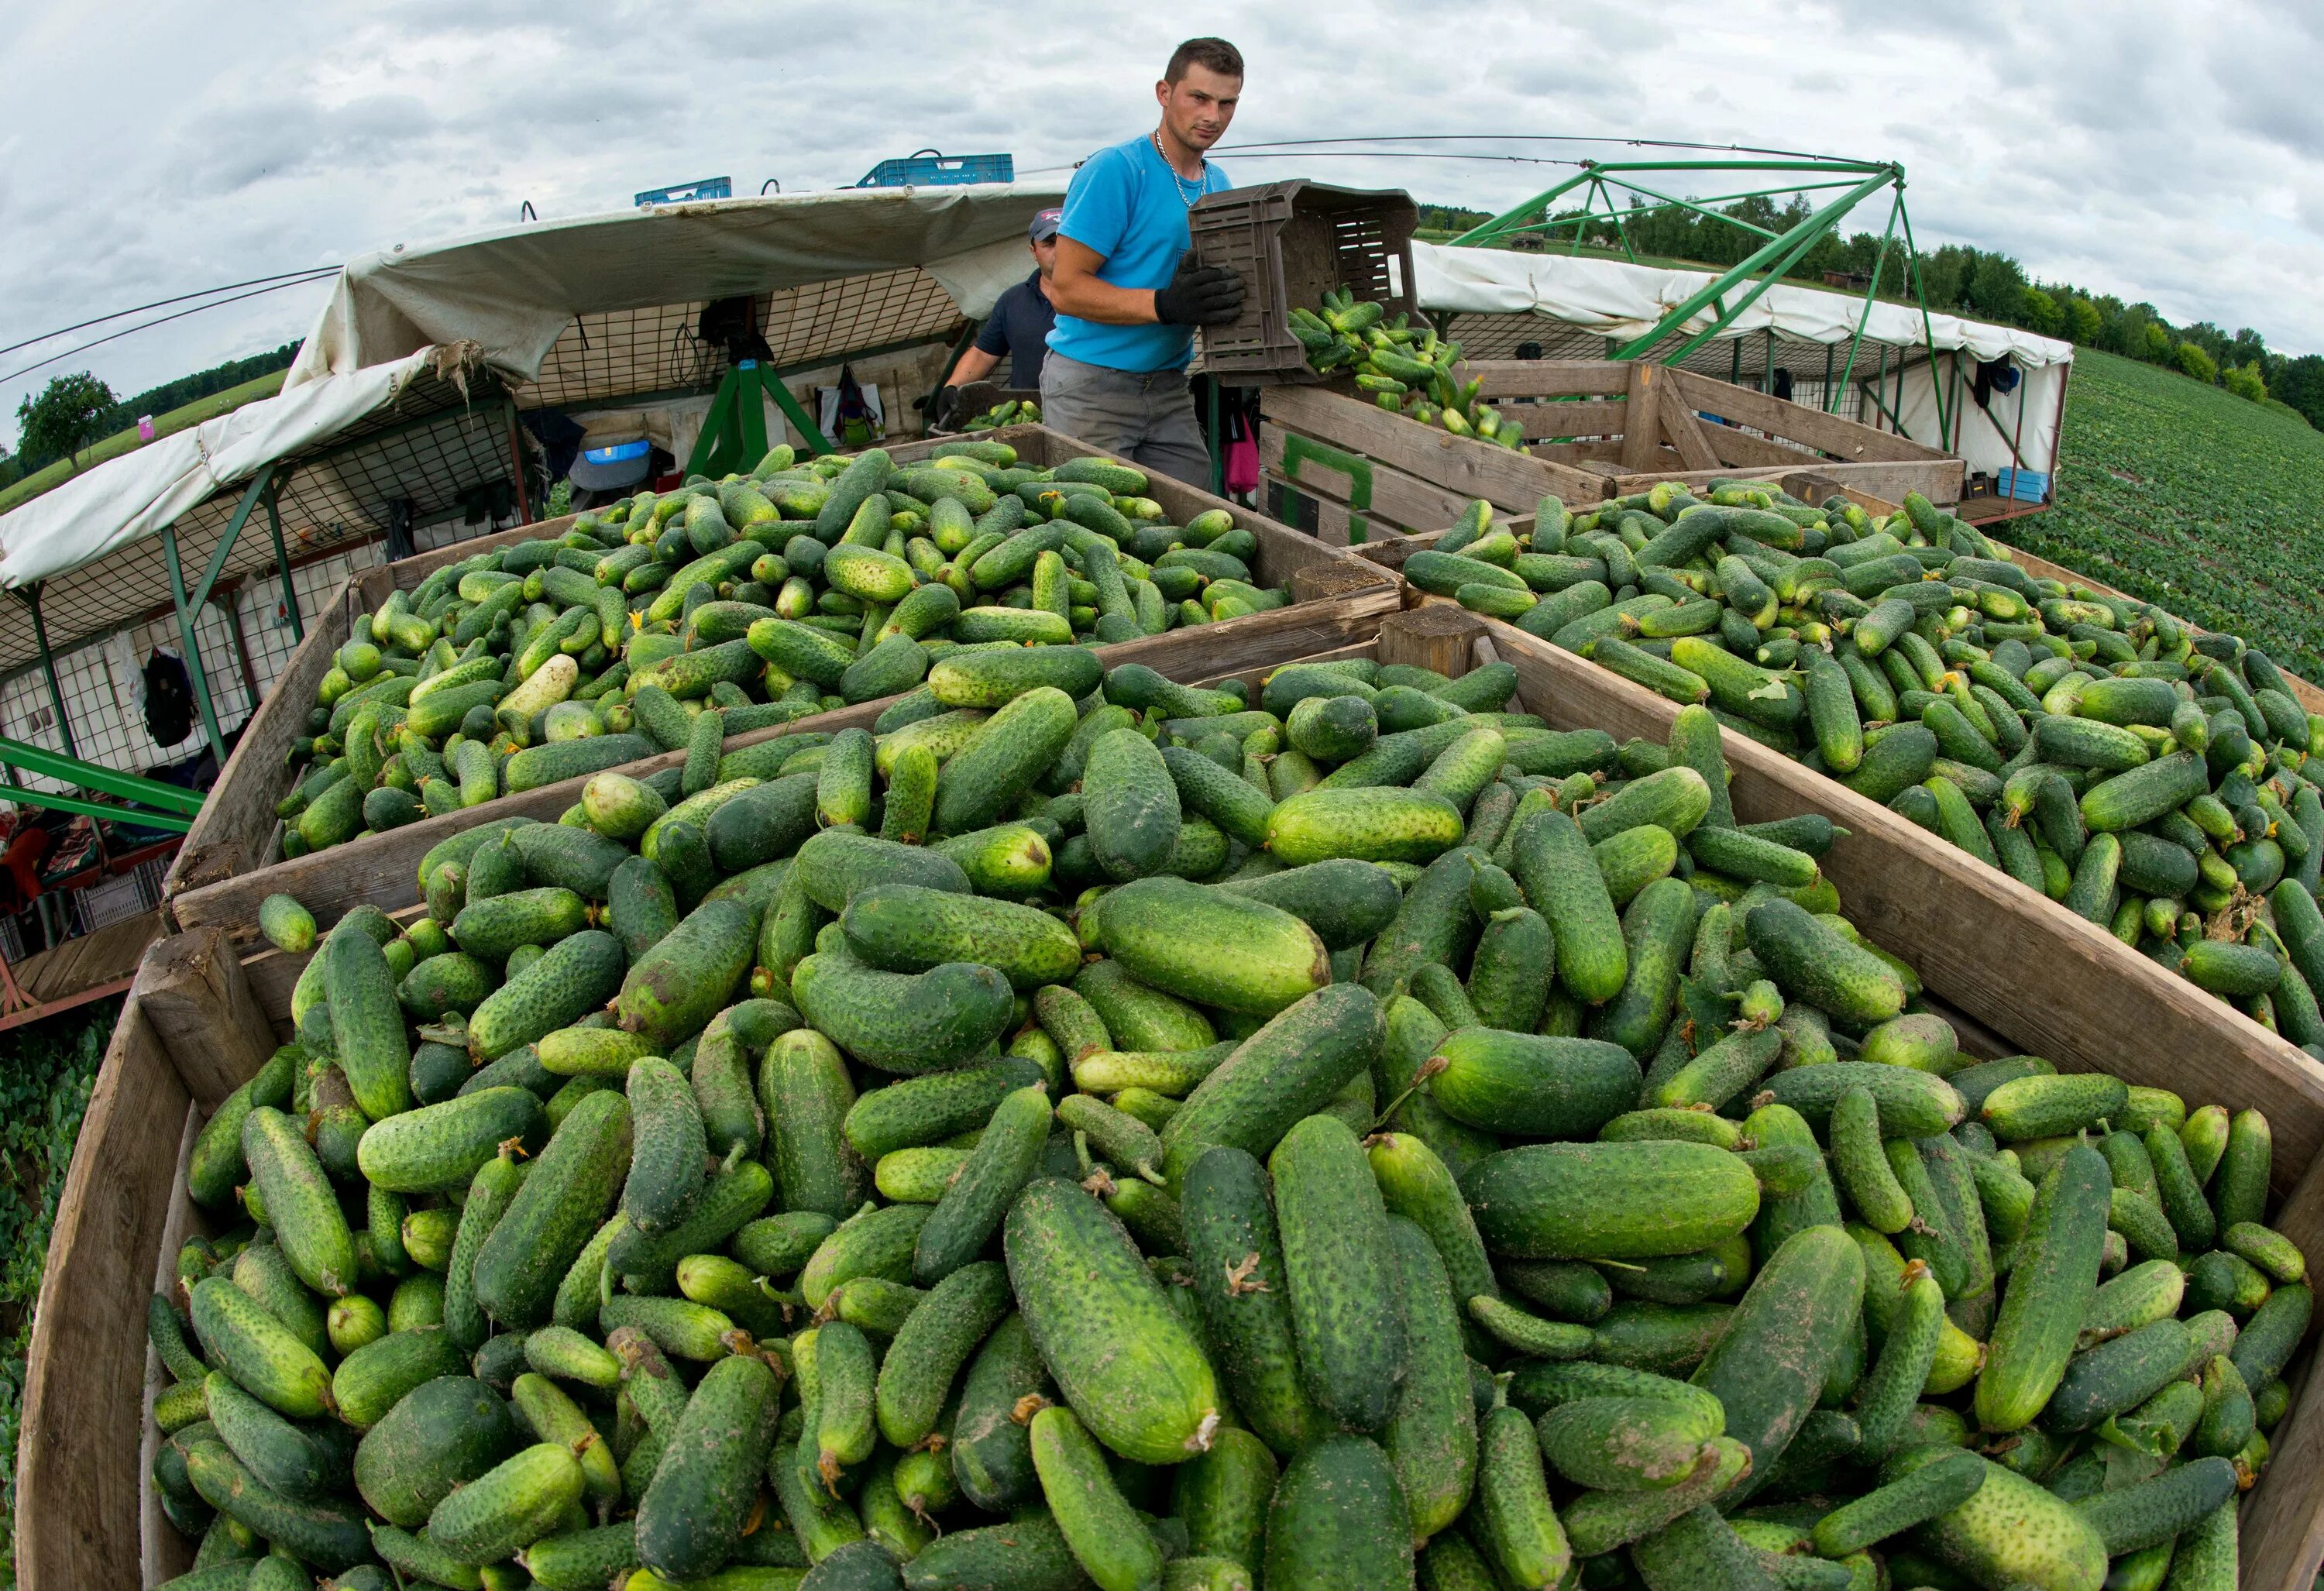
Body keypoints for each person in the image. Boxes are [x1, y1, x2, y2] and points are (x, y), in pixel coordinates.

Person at [1040, 36, 1247, 483]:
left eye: (1227, 103)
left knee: (1195, 523)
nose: (1213, 116)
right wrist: (1165, 305)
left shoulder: (1221, 186)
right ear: (1165, 93)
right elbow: (1067, 289)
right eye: (1199, 97)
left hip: (1169, 386)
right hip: (1091, 388)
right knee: (1094, 530)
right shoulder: (1117, 170)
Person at [938, 210, 1062, 427]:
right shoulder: (1012, 301)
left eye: (1067, 241)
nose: (1060, 251)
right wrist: (952, 388)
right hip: (1028, 419)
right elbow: (983, 354)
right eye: (1050, 244)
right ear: (1033, 251)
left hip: (1088, 415)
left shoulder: (1102, 294)